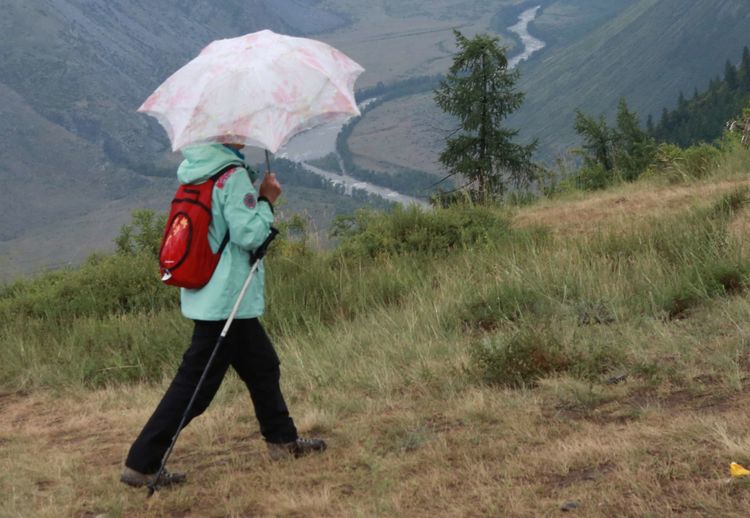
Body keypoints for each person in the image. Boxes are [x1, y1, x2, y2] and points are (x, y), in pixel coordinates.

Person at [121, 143, 326, 488]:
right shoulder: (232, 177)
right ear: (225, 131)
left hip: (212, 294)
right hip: (228, 298)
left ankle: (282, 440)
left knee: (263, 365)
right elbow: (250, 235)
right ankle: (141, 464)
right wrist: (266, 200)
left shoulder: (197, 171)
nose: (244, 132)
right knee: (195, 387)